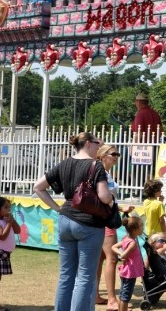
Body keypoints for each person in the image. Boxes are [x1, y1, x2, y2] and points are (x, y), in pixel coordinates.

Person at [33, 132, 113, 311]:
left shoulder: (64, 163)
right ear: (87, 144)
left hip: (65, 219)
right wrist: (112, 198)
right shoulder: (96, 165)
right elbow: (103, 196)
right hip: (89, 223)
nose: (98, 146)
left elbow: (38, 187)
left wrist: (57, 208)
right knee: (85, 276)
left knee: (66, 275)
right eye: (96, 143)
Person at [95, 144, 134, 310]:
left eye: (117, 153)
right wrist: (117, 208)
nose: (117, 156)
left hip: (103, 219)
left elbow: (107, 199)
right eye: (114, 153)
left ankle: (96, 294)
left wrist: (120, 208)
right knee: (111, 258)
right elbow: (103, 198)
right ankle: (112, 300)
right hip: (105, 220)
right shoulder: (101, 173)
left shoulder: (104, 173)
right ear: (103, 156)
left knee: (101, 259)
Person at [111, 216, 145, 311]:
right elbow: (123, 256)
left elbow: (113, 247)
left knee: (123, 295)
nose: (143, 228)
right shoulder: (132, 243)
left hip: (125, 272)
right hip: (130, 274)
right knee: (125, 297)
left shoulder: (126, 239)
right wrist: (123, 255)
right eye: (141, 226)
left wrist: (121, 253)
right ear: (135, 229)